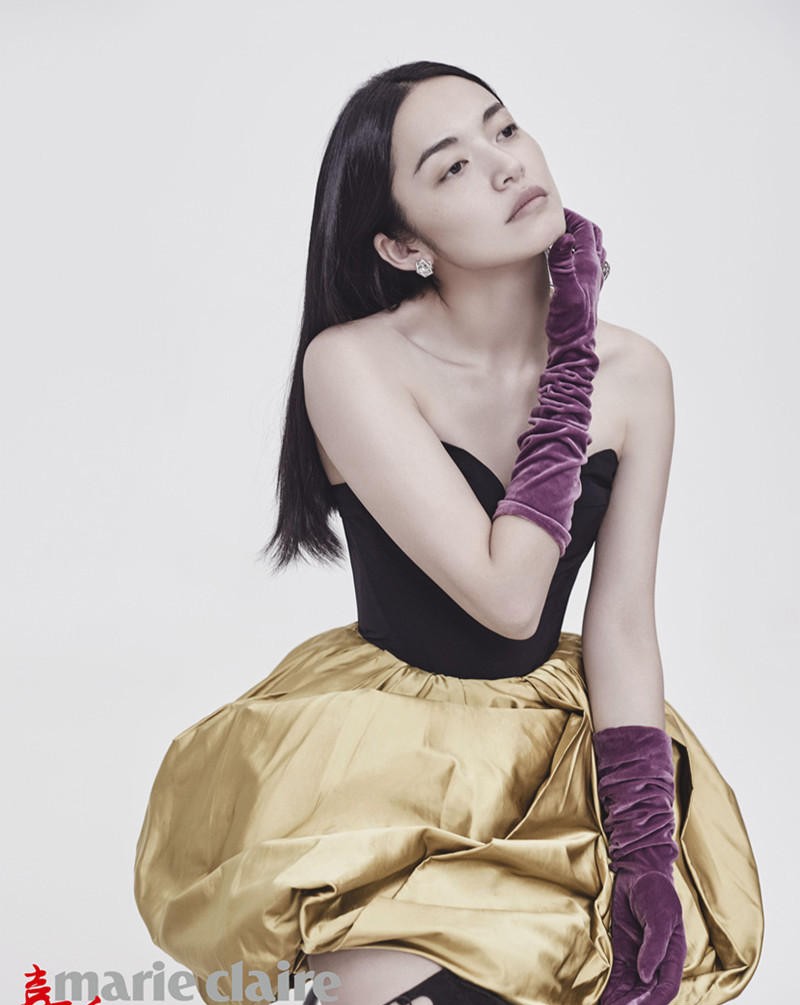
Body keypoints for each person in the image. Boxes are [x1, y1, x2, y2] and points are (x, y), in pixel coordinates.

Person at [133, 62, 764, 1005]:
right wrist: (572, 356)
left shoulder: (640, 375)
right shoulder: (353, 364)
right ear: (403, 244)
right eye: (453, 166)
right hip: (385, 769)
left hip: (552, 756)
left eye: (503, 130)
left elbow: (624, 625)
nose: (505, 165)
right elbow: (509, 597)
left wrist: (642, 854)